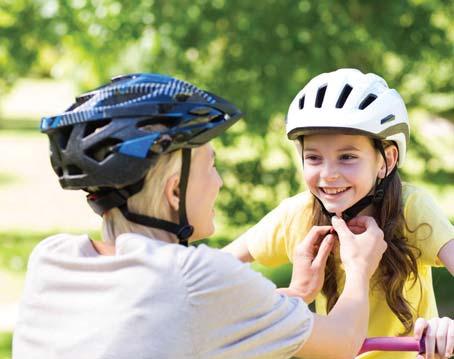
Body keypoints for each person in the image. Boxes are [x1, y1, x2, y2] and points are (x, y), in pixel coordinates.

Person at [13, 73, 387, 359]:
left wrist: (300, 292)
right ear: (175, 190)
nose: (220, 182)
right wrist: (358, 267)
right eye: (211, 166)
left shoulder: (52, 259)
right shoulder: (195, 275)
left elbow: (190, 319)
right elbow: (342, 341)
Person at [224, 68, 454, 359]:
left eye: (347, 157)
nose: (329, 175)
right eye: (314, 158)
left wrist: (444, 329)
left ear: (387, 160)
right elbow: (217, 268)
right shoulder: (301, 214)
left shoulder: (411, 209)